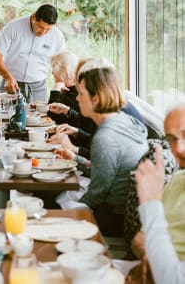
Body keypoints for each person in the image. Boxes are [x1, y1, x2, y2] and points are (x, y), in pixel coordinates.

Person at [55, 68, 148, 236]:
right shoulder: (124, 121)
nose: (76, 98)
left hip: (114, 217)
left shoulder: (106, 137)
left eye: (81, 94)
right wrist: (76, 159)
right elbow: (106, 171)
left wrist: (66, 216)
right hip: (127, 211)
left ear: (95, 99)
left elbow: (96, 195)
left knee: (52, 204)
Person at [132, 100, 185, 283]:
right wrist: (150, 254)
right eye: (171, 139)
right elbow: (139, 237)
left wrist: (151, 202)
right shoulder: (177, 180)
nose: (179, 149)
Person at [48, 58, 143, 159]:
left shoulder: (116, 114)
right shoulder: (109, 104)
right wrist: (76, 131)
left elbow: (102, 158)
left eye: (81, 91)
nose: (77, 97)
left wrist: (73, 149)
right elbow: (94, 140)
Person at [0, 4, 66, 103]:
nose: (43, 32)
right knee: (3, 116)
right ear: (33, 17)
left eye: (48, 29)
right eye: (40, 27)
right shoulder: (14, 27)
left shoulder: (57, 36)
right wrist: (8, 77)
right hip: (10, 85)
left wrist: (60, 83)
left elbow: (62, 63)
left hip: (38, 89)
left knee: (39, 118)